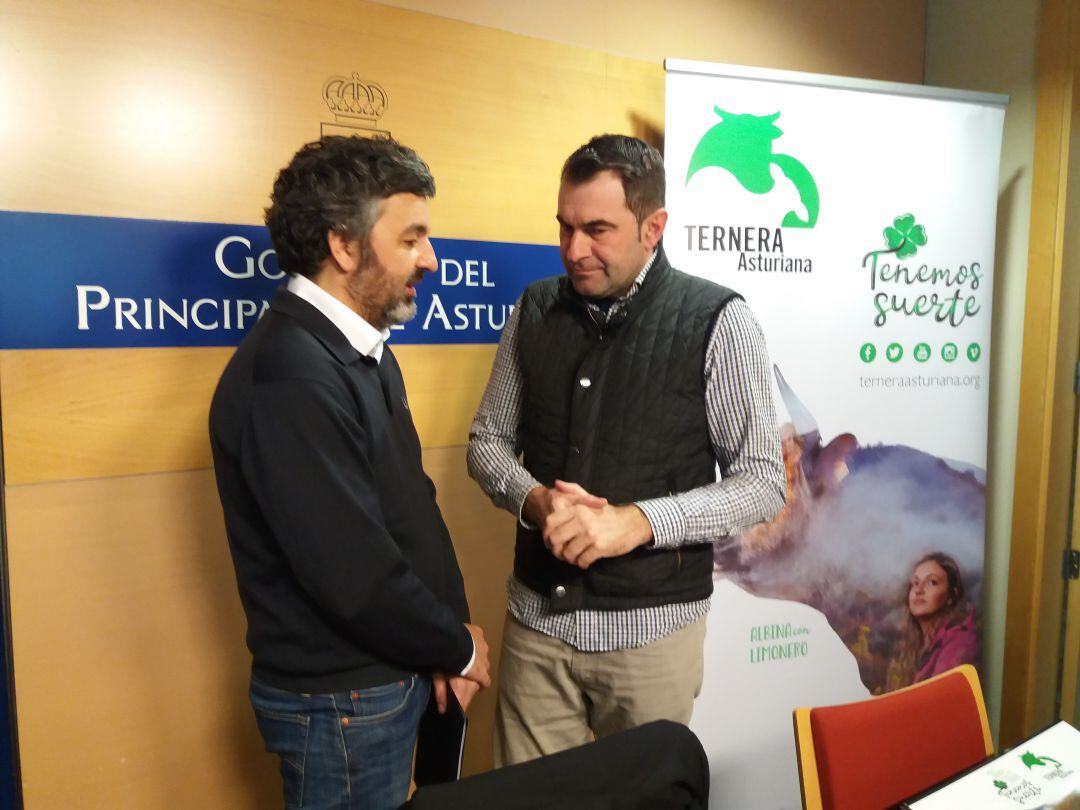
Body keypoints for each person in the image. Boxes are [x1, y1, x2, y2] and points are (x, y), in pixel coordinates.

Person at [467, 133, 785, 765]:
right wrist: (535, 502)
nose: (573, 249)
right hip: (536, 630)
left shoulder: (718, 319)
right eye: (564, 227)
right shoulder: (533, 309)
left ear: (654, 226)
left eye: (597, 229)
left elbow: (762, 481)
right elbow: (487, 443)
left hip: (650, 638)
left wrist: (636, 523)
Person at [209, 136, 490, 810]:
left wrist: (451, 636)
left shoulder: (358, 351)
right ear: (343, 245)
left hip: (385, 683)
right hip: (340, 708)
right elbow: (355, 577)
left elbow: (408, 510)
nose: (430, 258)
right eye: (412, 237)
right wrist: (454, 646)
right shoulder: (291, 375)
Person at [887, 552, 979, 690]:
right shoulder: (913, 643)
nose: (919, 590)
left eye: (932, 582)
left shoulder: (961, 640)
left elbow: (939, 701)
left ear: (951, 595)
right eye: (915, 583)